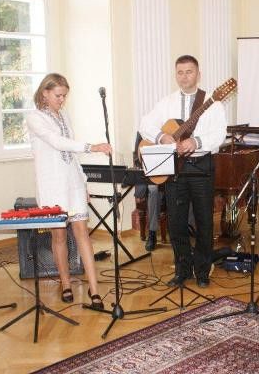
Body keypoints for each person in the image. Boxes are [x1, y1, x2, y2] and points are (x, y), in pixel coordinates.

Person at [139, 55, 226, 288]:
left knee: (204, 222)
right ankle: (182, 270)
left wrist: (196, 142)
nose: (184, 76)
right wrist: (161, 136)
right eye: (180, 72)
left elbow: (220, 134)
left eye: (189, 71)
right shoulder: (166, 102)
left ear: (198, 74)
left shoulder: (213, 102)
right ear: (175, 75)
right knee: (176, 222)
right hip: (174, 168)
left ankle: (202, 271)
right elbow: (145, 124)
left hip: (201, 166)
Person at [26, 73, 112, 308]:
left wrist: (83, 183)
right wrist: (91, 147)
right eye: (58, 95)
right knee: (59, 236)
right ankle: (65, 283)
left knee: (82, 232)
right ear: (45, 93)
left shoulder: (65, 115)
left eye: (64, 95)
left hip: (72, 181)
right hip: (52, 185)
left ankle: (94, 289)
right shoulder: (34, 118)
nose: (62, 100)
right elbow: (56, 142)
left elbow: (71, 155)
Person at [133, 131, 163, 251]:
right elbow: (137, 158)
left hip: (166, 172)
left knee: (154, 188)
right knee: (152, 188)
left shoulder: (167, 129)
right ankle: (152, 233)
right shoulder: (142, 132)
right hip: (148, 172)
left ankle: (153, 231)